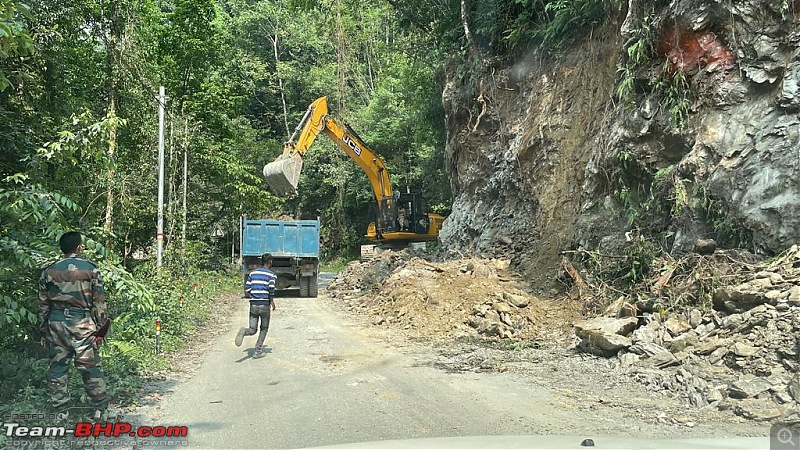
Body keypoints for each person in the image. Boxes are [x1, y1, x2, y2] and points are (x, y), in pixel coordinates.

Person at [38, 231, 109, 417]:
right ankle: (100, 408)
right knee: (89, 366)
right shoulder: (90, 269)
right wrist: (101, 331)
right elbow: (99, 302)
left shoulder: (49, 271)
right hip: (82, 323)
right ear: (79, 248)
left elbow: (43, 304)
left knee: (58, 366)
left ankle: (60, 410)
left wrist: (44, 331)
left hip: (56, 323)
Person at [236, 253, 277, 358]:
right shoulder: (271, 275)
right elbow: (271, 288)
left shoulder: (252, 273)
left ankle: (245, 331)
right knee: (264, 328)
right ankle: (257, 351)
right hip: (264, 305)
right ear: (270, 262)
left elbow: (247, 288)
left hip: (253, 305)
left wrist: (255, 295)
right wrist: (271, 301)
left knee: (253, 329)